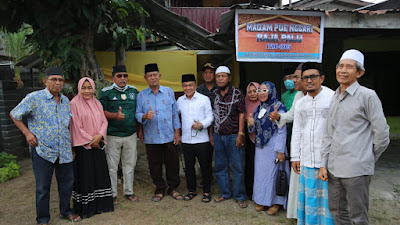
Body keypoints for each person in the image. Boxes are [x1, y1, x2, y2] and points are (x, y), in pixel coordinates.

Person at [318, 49, 390, 225]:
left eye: (349, 67)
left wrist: (367, 158)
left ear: (359, 72)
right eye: (340, 66)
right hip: (334, 168)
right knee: (338, 211)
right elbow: (328, 133)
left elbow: (382, 133)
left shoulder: (367, 96)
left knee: (358, 216)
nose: (343, 70)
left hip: (356, 169)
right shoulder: (335, 96)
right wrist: (323, 164)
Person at [10, 67, 81, 224]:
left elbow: (67, 126)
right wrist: (27, 133)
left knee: (67, 184)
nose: (57, 82)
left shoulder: (65, 101)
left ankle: (66, 211)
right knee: (43, 187)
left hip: (64, 150)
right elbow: (14, 114)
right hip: (43, 150)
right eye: (54, 79)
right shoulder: (34, 98)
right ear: (45, 81)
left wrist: (71, 147)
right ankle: (43, 219)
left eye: (60, 80)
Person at [291, 63, 334, 225]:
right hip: (307, 159)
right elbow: (297, 130)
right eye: (305, 78)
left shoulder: (333, 98)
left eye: (313, 77)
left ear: (321, 78)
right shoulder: (301, 103)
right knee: (309, 200)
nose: (309, 81)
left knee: (327, 201)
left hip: (328, 160)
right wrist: (295, 156)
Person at [135, 63, 182, 202]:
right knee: (154, 164)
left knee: (172, 163)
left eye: (155, 75)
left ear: (160, 76)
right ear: (145, 78)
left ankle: (173, 188)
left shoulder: (168, 92)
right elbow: (137, 113)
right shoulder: (141, 95)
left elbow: (174, 114)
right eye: (150, 76)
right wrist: (144, 116)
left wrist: (177, 132)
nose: (153, 78)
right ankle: (160, 188)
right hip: (151, 137)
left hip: (169, 135)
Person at [70, 77, 114, 218]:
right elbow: (75, 126)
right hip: (83, 148)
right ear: (79, 88)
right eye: (84, 87)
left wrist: (99, 136)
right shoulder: (74, 104)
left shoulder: (97, 103)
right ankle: (87, 208)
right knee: (86, 176)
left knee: (99, 175)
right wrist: (90, 140)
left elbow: (103, 121)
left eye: (90, 87)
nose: (87, 91)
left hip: (97, 145)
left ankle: (101, 205)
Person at [247, 81, 290, 215]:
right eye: (260, 91)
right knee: (262, 175)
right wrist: (250, 124)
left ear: (271, 91)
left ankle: (276, 202)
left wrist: (280, 150)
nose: (261, 94)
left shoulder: (278, 107)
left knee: (275, 174)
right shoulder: (258, 108)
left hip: (274, 147)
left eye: (265, 90)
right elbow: (254, 128)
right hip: (261, 147)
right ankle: (263, 201)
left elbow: (282, 131)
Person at [98, 65, 139, 204]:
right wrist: (114, 115)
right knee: (112, 166)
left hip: (130, 134)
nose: (122, 79)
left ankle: (129, 191)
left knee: (129, 164)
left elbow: (138, 111)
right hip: (112, 135)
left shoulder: (134, 91)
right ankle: (112, 194)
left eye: (125, 76)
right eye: (119, 76)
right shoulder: (105, 92)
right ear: (113, 77)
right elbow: (101, 112)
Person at [269, 63, 305, 219]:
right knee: (296, 174)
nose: (292, 81)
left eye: (295, 77)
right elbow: (290, 115)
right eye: (290, 78)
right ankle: (296, 210)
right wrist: (279, 117)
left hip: (311, 143)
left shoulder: (326, 96)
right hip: (294, 138)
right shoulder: (294, 96)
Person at [212, 66, 247, 208]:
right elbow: (211, 115)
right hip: (218, 135)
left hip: (233, 136)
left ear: (229, 78)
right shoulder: (214, 94)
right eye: (218, 76)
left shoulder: (238, 93)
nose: (220, 79)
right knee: (220, 166)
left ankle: (239, 195)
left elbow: (242, 114)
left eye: (223, 76)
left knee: (237, 167)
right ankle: (225, 193)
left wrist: (240, 133)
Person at [177, 74, 214, 203]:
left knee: (205, 166)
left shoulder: (204, 99)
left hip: (202, 139)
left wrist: (202, 124)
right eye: (185, 85)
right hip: (186, 140)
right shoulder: (180, 101)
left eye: (190, 85)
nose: (188, 88)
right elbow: (176, 117)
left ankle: (207, 191)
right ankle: (191, 190)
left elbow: (211, 117)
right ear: (182, 87)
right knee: (189, 167)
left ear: (195, 85)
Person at [244, 82, 260, 200]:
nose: (252, 94)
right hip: (249, 139)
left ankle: (260, 192)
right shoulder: (245, 104)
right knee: (250, 165)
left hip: (263, 141)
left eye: (255, 91)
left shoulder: (265, 105)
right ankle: (250, 192)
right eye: (250, 92)